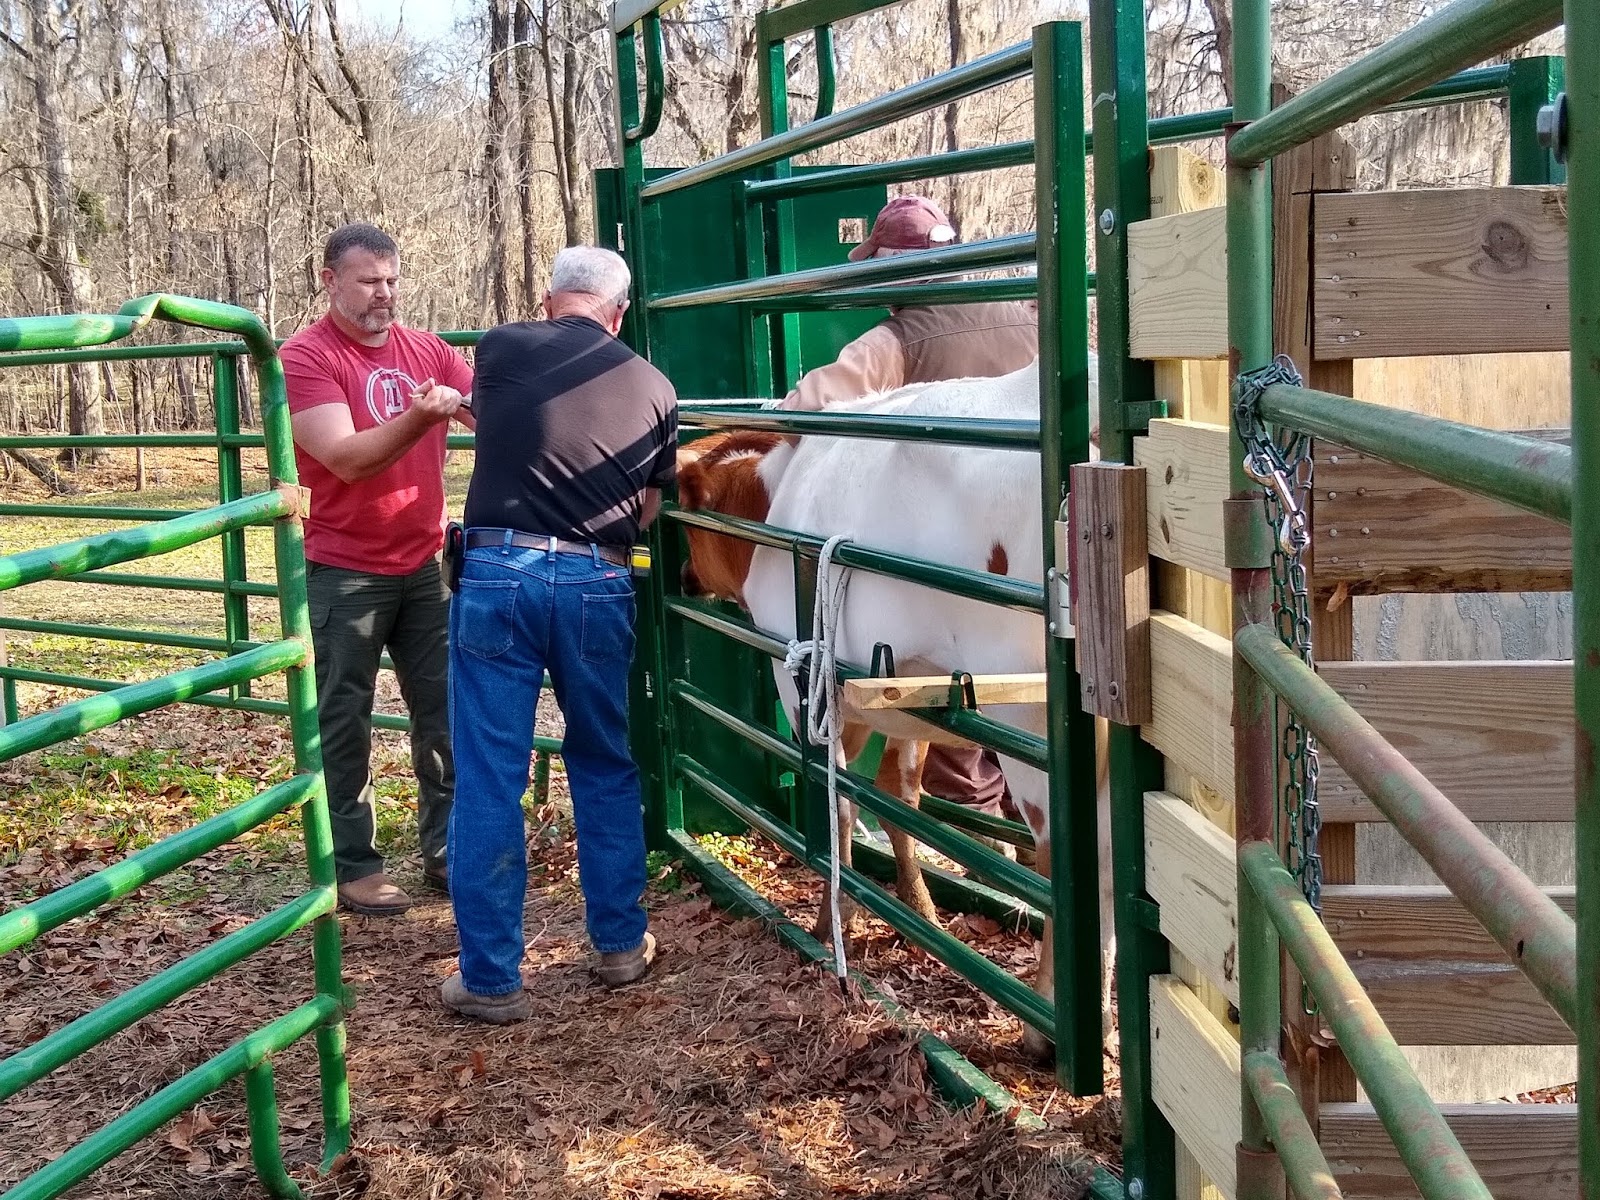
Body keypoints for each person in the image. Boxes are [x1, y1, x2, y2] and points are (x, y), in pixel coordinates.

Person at [440, 245, 677, 1024]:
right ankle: (619, 945)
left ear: (549, 300)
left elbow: (501, 423)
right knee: (604, 761)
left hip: (499, 572)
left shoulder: (502, 348)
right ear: (620, 313)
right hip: (597, 579)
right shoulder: (654, 386)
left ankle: (490, 980)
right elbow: (648, 508)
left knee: (489, 775)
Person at [777, 195, 1037, 823]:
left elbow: (801, 415)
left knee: (960, 713)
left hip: (961, 556)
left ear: (891, 270)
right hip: (1051, 534)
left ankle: (979, 849)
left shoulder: (892, 344)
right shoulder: (1028, 316)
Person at [282, 222, 475, 917]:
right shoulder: (306, 357)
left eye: (391, 280)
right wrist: (422, 419)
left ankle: (449, 849)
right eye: (368, 281)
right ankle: (354, 864)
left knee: (445, 713)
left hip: (424, 563)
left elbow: (489, 411)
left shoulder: (428, 350)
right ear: (330, 280)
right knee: (344, 721)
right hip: (344, 567)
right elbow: (345, 458)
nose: (383, 293)